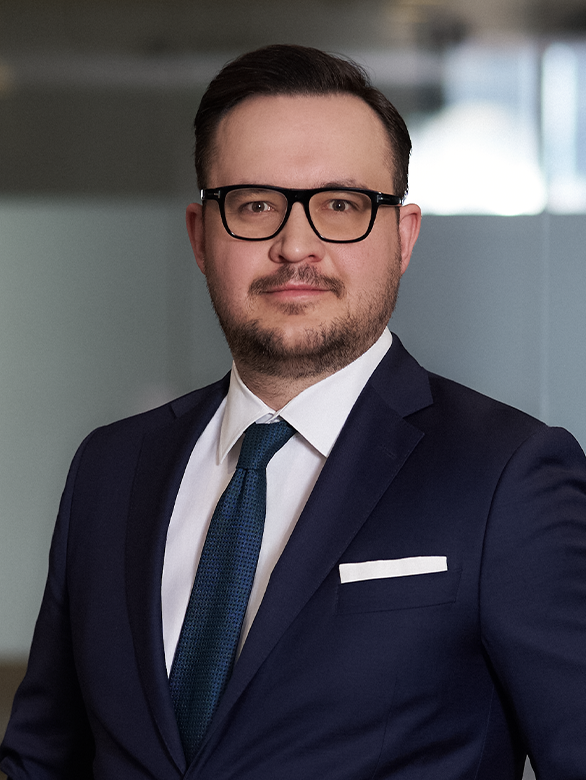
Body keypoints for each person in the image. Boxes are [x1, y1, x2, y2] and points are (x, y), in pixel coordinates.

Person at [1, 43, 586, 780]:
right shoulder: (110, 468)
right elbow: (43, 759)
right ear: (200, 236)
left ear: (403, 237)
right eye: (254, 205)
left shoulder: (507, 475)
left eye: (341, 205)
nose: (295, 245)